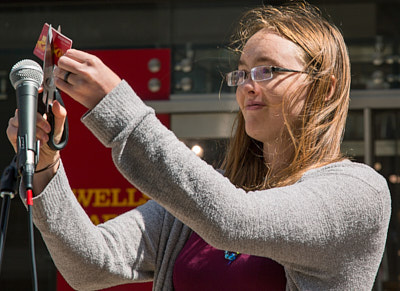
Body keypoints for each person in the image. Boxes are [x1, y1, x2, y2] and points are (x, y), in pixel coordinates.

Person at [7, 1, 391, 290]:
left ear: (328, 86)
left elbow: (233, 220)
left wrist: (118, 108)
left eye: (268, 70)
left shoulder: (358, 193)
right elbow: (89, 263)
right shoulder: (202, 199)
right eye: (241, 73)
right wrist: (46, 168)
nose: (248, 85)